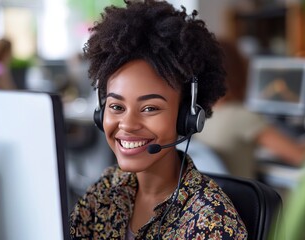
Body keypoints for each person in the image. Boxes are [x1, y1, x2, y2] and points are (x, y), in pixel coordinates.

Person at [69, 1, 248, 239]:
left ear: (187, 116)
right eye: (116, 106)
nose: (128, 124)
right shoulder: (108, 188)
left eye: (150, 108)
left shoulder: (210, 222)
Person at [194, 40, 305, 179]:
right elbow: (300, 156)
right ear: (237, 71)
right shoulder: (242, 116)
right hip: (243, 203)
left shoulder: (199, 117)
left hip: (217, 201)